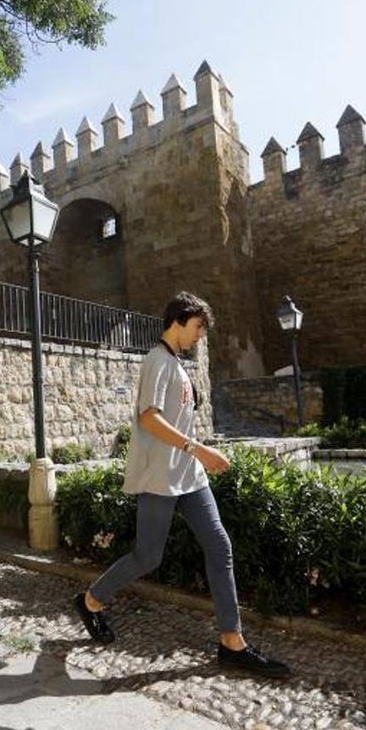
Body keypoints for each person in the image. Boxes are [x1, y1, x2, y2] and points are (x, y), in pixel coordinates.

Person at [72, 291, 291, 679]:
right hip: (161, 476)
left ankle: (231, 642)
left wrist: (197, 456)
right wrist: (200, 449)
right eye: (197, 328)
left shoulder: (177, 363)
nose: (200, 336)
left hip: (189, 475)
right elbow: (149, 418)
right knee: (147, 556)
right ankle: (91, 600)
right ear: (178, 320)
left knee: (219, 545)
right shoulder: (158, 360)